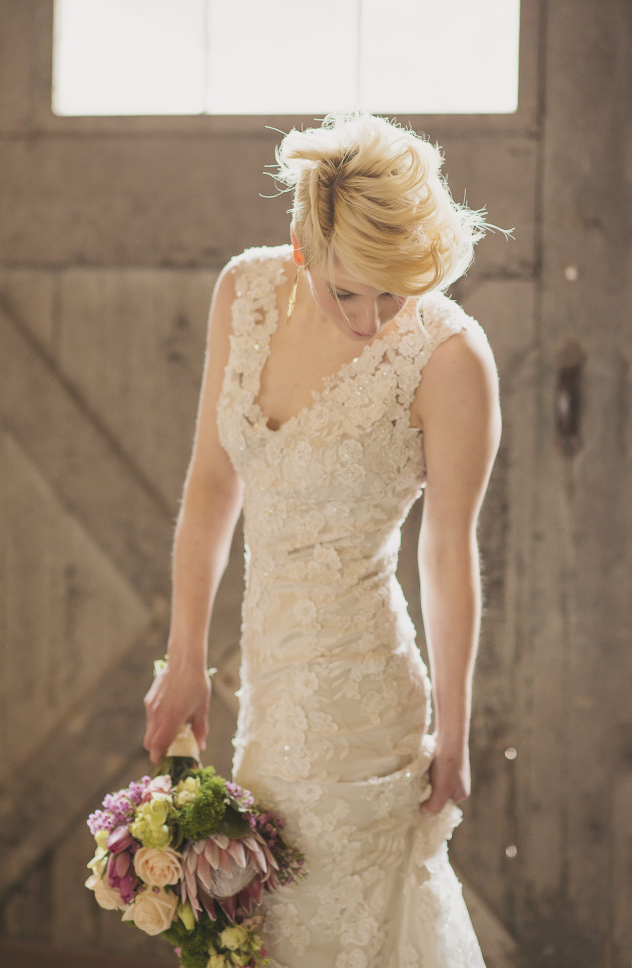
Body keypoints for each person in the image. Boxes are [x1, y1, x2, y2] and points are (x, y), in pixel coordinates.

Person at [143, 112, 501, 967]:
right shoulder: (246, 290)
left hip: (364, 705)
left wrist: (452, 733)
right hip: (265, 690)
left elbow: (446, 553)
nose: (374, 319)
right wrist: (184, 654)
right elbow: (211, 481)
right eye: (349, 291)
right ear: (300, 246)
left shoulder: (449, 356)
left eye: (394, 292)